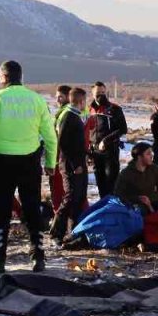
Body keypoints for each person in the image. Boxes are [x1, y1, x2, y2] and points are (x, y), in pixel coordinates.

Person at [0, 60, 57, 274]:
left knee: (1, 212)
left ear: (3, 77)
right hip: (30, 162)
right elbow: (50, 136)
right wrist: (50, 163)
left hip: (2, 162)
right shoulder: (37, 100)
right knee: (31, 209)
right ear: (21, 76)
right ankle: (38, 257)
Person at [51, 88, 89, 242]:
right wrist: (74, 165)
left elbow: (77, 143)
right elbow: (64, 144)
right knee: (70, 198)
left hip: (80, 163)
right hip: (70, 165)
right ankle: (56, 233)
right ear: (81, 101)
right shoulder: (68, 116)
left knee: (79, 198)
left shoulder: (76, 116)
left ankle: (73, 232)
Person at [86, 87, 127, 200]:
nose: (101, 95)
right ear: (93, 94)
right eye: (98, 93)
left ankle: (112, 207)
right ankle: (103, 206)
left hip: (110, 150)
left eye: (103, 92)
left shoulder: (115, 109)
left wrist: (106, 140)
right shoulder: (89, 109)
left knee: (111, 182)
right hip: (94, 152)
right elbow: (87, 130)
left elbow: (123, 129)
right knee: (100, 182)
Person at [115, 142, 158, 214]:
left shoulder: (154, 168)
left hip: (153, 202)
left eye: (151, 153)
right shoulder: (126, 173)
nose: (151, 156)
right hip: (134, 205)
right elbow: (118, 195)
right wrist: (138, 199)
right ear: (139, 157)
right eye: (148, 154)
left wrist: (150, 198)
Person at [49, 84, 74, 213]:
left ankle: (58, 217)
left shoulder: (66, 113)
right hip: (66, 157)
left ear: (68, 97)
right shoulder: (73, 111)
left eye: (60, 97)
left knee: (59, 189)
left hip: (61, 157)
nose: (57, 100)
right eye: (56, 97)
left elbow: (59, 138)